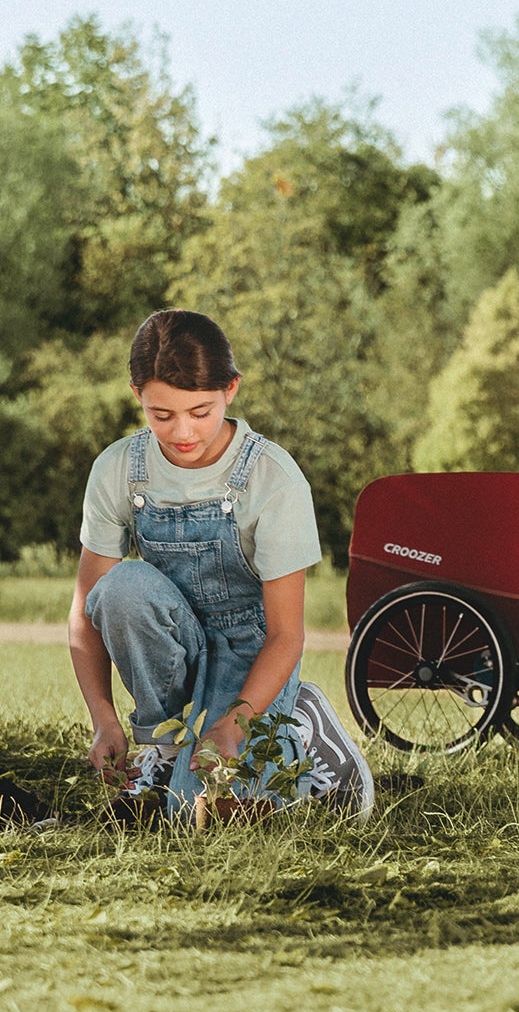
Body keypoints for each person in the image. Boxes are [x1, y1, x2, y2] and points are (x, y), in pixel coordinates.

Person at [67, 308, 373, 817]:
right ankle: (162, 749)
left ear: (231, 389)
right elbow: (86, 608)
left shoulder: (272, 477)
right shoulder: (120, 468)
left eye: (200, 412)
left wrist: (235, 722)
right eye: (161, 415)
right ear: (136, 394)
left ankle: (303, 724)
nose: (182, 432)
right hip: (174, 641)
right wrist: (103, 717)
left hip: (253, 651)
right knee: (122, 587)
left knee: (214, 812)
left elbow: (286, 635)